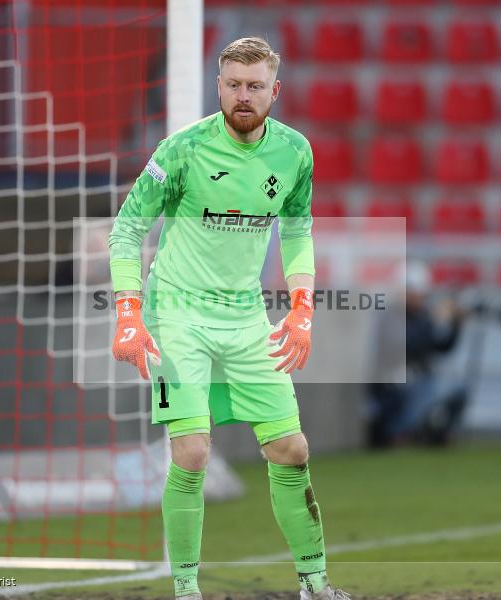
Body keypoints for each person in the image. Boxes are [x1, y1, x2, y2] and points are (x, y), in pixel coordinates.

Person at [108, 38, 349, 600]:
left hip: (244, 318)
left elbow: (296, 231)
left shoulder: (295, 152)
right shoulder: (182, 149)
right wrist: (128, 312)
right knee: (191, 451)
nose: (244, 96)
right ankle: (186, 590)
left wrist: (302, 309)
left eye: (255, 86)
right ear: (219, 86)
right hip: (177, 314)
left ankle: (315, 584)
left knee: (291, 449)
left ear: (274, 90)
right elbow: (127, 228)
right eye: (234, 85)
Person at [367, 261, 469, 448]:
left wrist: (456, 325)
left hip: (418, 383)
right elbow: (406, 344)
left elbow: (441, 346)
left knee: (457, 390)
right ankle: (401, 432)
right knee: (416, 391)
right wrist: (434, 319)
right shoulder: (389, 315)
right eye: (417, 293)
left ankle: (429, 432)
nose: (422, 298)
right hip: (392, 389)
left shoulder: (421, 316)